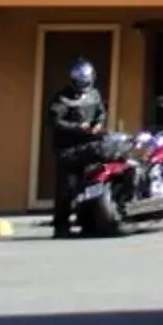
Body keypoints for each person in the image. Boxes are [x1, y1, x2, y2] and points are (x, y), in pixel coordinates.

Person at [48, 58, 108, 237]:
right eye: (79, 82)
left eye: (86, 82)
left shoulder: (94, 95)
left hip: (89, 146)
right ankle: (61, 226)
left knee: (90, 186)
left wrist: (97, 125)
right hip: (67, 149)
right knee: (67, 189)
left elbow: (101, 113)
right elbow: (54, 121)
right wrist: (77, 127)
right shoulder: (62, 99)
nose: (83, 85)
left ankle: (88, 223)